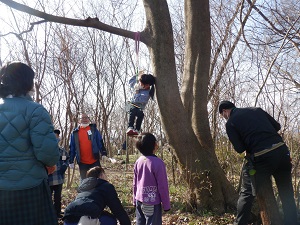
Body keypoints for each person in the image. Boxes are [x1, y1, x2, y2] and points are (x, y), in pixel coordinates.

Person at [218, 100, 298, 225]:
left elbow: (239, 148)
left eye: (223, 116)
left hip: (262, 158)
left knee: (247, 193)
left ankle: (239, 223)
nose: (224, 118)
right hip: (282, 152)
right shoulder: (256, 110)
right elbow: (277, 126)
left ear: (224, 111)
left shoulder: (231, 123)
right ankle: (292, 222)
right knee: (286, 191)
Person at [0, 62, 60, 225]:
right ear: (27, 82)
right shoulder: (35, 110)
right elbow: (48, 154)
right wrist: (51, 163)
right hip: (30, 187)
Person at [63, 166, 131, 225]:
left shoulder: (83, 187)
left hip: (68, 216)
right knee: (111, 220)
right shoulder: (106, 186)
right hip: (89, 216)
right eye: (105, 174)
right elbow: (117, 209)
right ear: (101, 175)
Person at [133, 133, 170, 225]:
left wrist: (134, 199)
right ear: (154, 145)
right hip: (152, 202)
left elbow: (135, 183)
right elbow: (163, 186)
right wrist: (166, 205)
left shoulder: (139, 161)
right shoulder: (158, 163)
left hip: (139, 200)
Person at [69, 112, 107, 180]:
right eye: (82, 118)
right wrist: (71, 160)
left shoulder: (93, 129)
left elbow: (100, 141)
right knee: (85, 181)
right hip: (82, 162)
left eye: (86, 118)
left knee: (98, 180)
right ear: (79, 120)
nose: (85, 119)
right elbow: (72, 147)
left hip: (94, 161)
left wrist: (103, 153)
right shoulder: (75, 133)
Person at [48, 129, 69, 218]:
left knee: (58, 198)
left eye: (57, 137)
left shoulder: (61, 150)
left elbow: (66, 159)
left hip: (59, 178)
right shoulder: (46, 150)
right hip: (48, 179)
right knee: (48, 198)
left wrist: (64, 166)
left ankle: (57, 213)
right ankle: (48, 213)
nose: (55, 139)